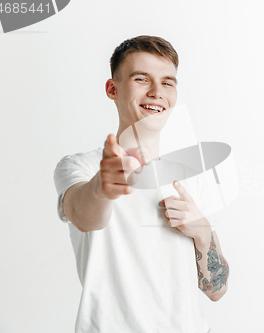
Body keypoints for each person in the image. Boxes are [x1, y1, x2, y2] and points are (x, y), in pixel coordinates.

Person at [53, 35, 229, 333]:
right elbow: (83, 216)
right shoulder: (80, 167)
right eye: (141, 79)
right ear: (112, 89)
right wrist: (102, 188)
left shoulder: (192, 173)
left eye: (168, 82)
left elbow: (216, 289)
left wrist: (201, 231)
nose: (157, 92)